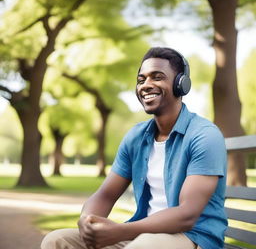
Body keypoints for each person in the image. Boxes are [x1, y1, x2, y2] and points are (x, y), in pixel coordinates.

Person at [41, 47, 227, 249]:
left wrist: (119, 231)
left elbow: (186, 215)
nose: (146, 85)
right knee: (56, 240)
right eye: (141, 80)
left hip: (192, 237)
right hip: (141, 235)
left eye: (157, 77)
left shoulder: (204, 135)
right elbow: (105, 194)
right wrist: (87, 221)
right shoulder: (136, 137)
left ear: (181, 84)